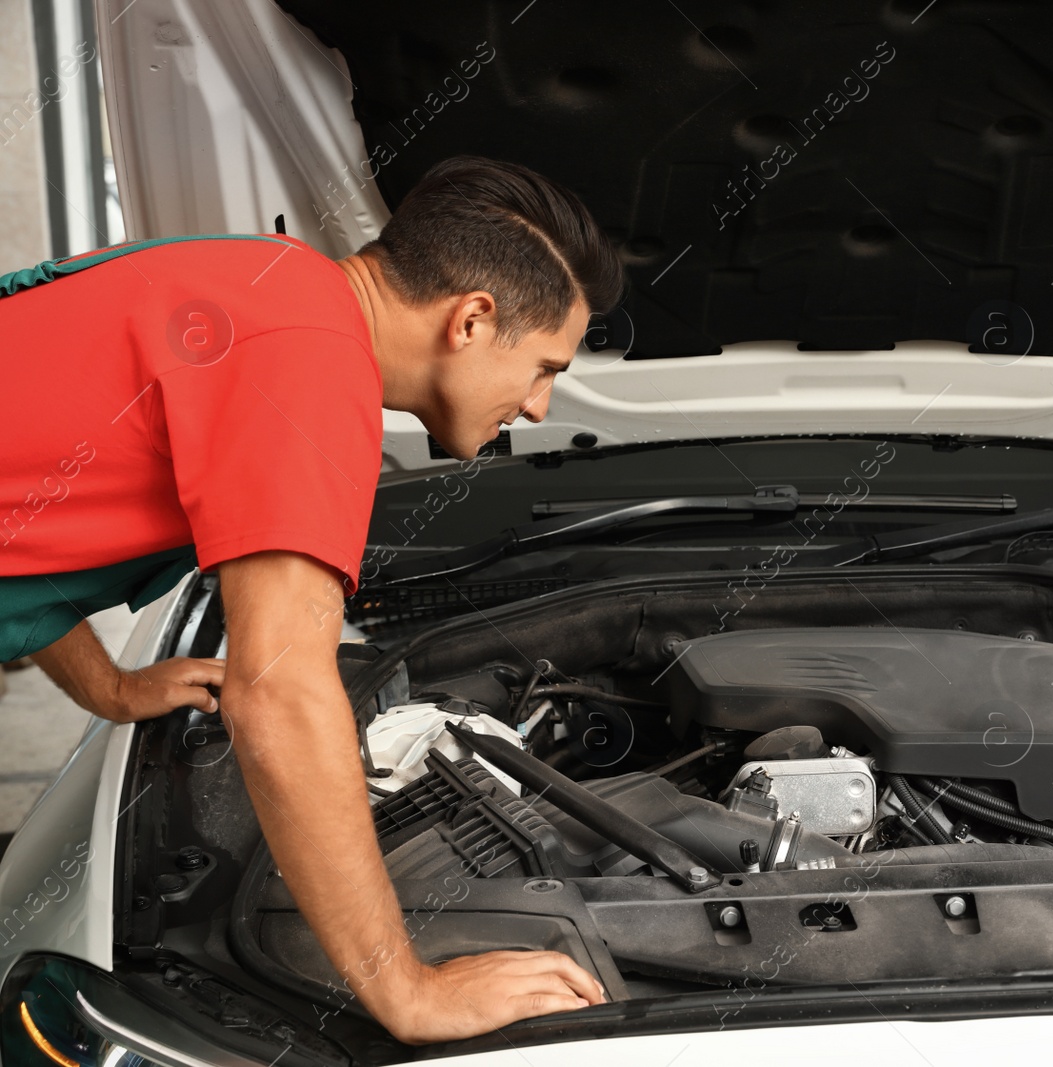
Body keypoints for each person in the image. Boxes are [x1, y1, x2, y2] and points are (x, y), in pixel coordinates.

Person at [0, 156, 624, 1043]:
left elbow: (25, 513)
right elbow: (280, 693)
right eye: (543, 367)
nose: (537, 405)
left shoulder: (269, 280)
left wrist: (111, 687)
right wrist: (411, 990)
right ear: (473, 319)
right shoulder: (308, 367)